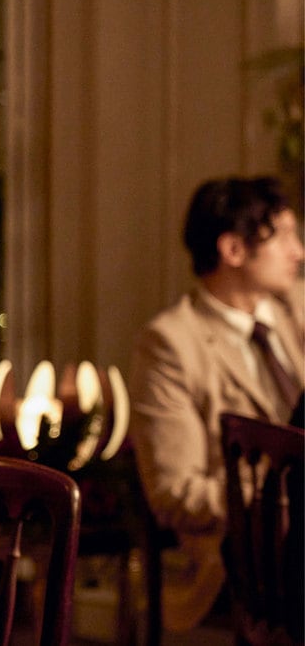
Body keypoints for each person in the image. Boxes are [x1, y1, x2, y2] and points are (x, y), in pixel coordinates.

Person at [129, 176, 304, 631]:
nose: (299, 252)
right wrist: (277, 500)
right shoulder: (171, 343)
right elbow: (175, 493)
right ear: (233, 250)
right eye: (284, 237)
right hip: (247, 559)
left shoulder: (295, 312)